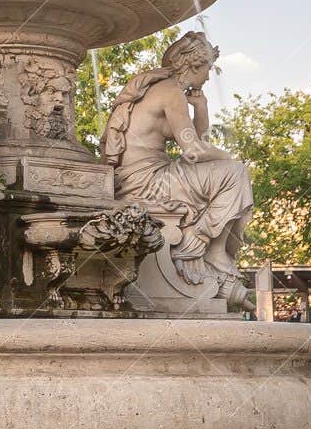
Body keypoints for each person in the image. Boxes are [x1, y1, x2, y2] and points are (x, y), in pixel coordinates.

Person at [100, 31, 254, 300]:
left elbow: (193, 142)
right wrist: (227, 157)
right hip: (149, 183)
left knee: (226, 173)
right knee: (236, 173)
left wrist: (201, 108)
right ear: (194, 65)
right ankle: (208, 244)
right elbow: (194, 152)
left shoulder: (157, 89)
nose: (208, 76)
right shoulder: (171, 93)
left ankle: (210, 244)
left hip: (136, 178)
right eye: (208, 68)